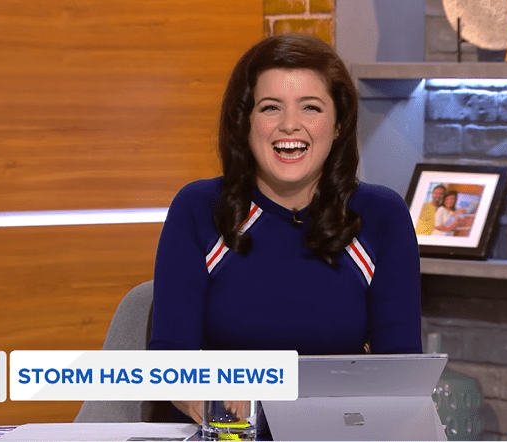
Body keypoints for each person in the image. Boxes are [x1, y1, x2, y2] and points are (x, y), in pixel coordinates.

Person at [148, 34, 422, 424]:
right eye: (270, 108)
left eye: (311, 108)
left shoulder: (381, 217)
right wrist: (213, 402)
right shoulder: (198, 209)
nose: (289, 125)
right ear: (246, 121)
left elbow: (400, 377)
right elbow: (169, 362)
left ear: (339, 123)